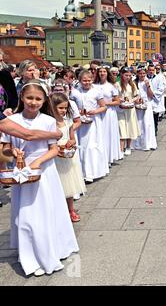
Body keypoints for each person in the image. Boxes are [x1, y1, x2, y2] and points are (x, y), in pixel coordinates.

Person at [1, 80, 79, 276]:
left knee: (47, 211)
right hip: (21, 171)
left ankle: (53, 248)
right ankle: (30, 255)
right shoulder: (13, 120)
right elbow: (6, 148)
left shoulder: (48, 121)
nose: (33, 102)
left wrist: (37, 163)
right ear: (21, 97)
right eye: (29, 98)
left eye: (38, 99)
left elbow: (54, 149)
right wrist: (14, 151)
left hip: (44, 171)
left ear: (44, 100)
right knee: (26, 214)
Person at [51, 93, 86, 223]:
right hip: (55, 158)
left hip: (68, 158)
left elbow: (72, 138)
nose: (63, 110)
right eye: (60, 108)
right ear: (52, 107)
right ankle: (58, 211)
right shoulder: (50, 123)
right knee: (58, 185)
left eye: (65, 108)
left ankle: (71, 209)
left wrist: (71, 143)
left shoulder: (68, 121)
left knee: (69, 185)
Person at [71, 70, 109, 182]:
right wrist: (77, 111)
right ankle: (82, 172)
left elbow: (104, 107)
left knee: (91, 146)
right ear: (79, 81)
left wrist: (95, 111)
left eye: (89, 80)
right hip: (80, 122)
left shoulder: (96, 91)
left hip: (93, 122)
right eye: (84, 81)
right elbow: (70, 106)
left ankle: (92, 172)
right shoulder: (75, 92)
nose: (87, 83)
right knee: (81, 146)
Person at [94, 66, 122, 164]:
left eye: (104, 72)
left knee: (108, 134)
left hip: (109, 113)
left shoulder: (111, 86)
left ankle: (109, 157)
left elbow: (118, 101)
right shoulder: (94, 86)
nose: (102, 73)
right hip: (97, 112)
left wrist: (105, 103)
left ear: (107, 73)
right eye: (100, 72)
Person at [117, 67, 141, 156]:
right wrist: (120, 100)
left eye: (129, 76)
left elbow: (137, 95)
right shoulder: (117, 84)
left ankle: (128, 146)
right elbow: (115, 96)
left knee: (130, 127)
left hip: (130, 109)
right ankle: (120, 148)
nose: (128, 77)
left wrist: (132, 100)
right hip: (121, 109)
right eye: (126, 75)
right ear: (122, 75)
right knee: (121, 128)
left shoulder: (132, 85)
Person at [132, 68, 157, 151]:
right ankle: (137, 143)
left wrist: (148, 86)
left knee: (147, 123)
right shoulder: (134, 83)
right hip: (138, 105)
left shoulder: (148, 82)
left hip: (147, 104)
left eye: (143, 73)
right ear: (137, 74)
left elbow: (151, 95)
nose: (142, 75)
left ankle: (148, 143)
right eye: (140, 73)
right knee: (138, 123)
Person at [147, 65, 165, 136]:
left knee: (155, 117)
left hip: (155, 100)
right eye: (150, 70)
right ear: (147, 70)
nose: (151, 71)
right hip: (147, 100)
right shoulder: (145, 78)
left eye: (152, 70)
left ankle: (155, 130)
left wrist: (152, 94)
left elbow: (161, 89)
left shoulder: (158, 78)